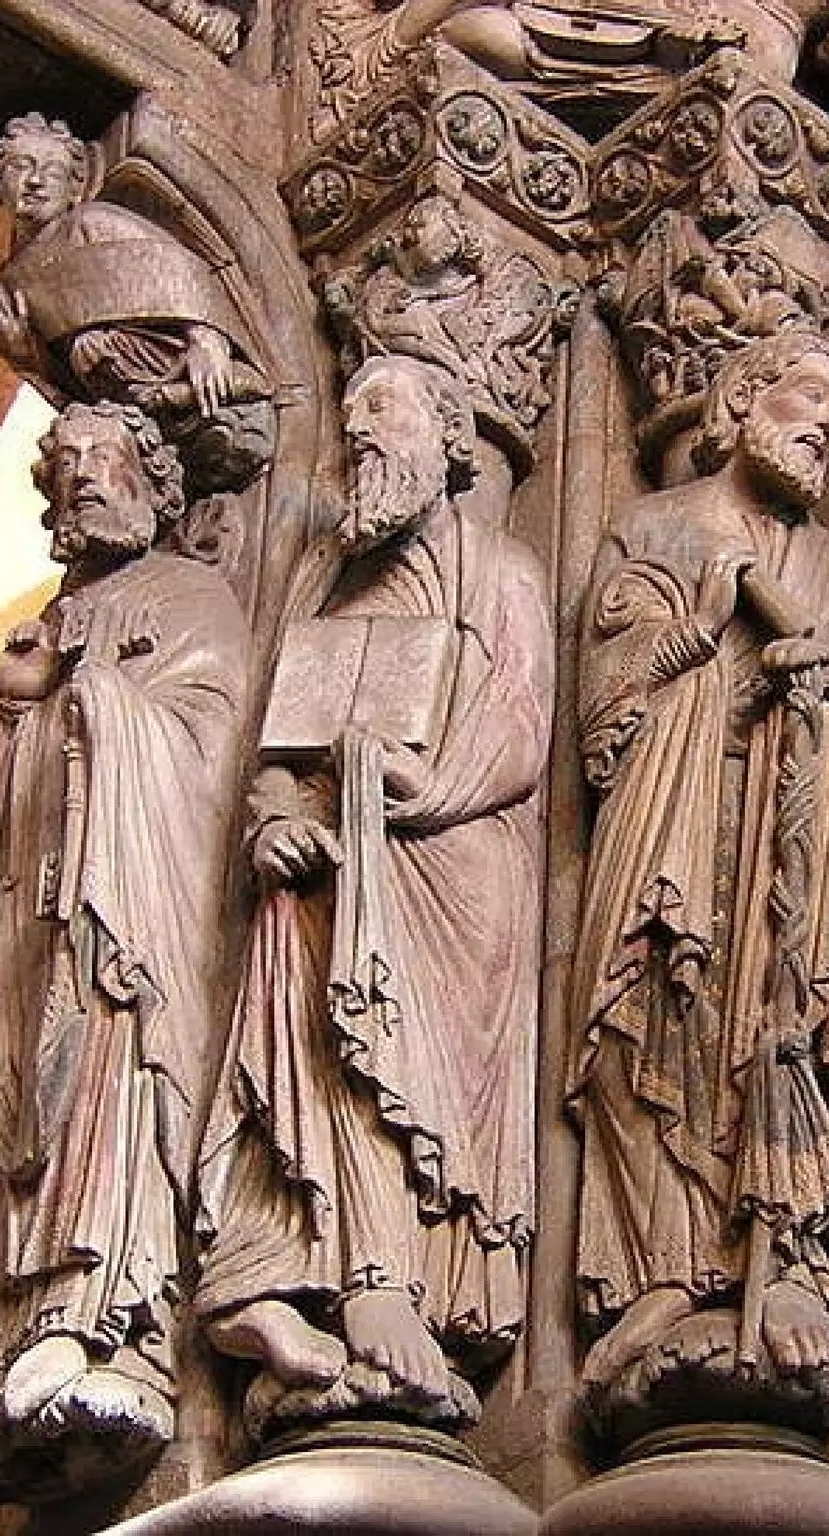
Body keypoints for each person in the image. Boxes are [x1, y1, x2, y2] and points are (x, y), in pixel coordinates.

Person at [194, 355, 553, 1434]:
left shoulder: (501, 573)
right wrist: (274, 822)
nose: (359, 431)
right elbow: (275, 752)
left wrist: (426, 788)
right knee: (326, 1041)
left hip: (453, 861)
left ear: (450, 434)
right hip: (332, 859)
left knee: (413, 1058)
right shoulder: (326, 583)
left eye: (382, 408)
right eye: (348, 414)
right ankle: (354, 1275)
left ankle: (418, 1282)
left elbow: (521, 722)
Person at [568, 331, 829, 1434]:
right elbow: (602, 693)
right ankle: (659, 1267)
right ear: (743, 396)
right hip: (670, 812)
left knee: (772, 1024)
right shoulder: (654, 526)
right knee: (650, 1013)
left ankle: (777, 1255)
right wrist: (700, 639)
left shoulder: (827, 564)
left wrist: (810, 684)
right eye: (810, 398)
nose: (826, 427)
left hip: (784, 825)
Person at [0, 402, 249, 1498]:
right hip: (42, 911)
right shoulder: (55, 612)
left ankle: (110, 1311)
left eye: (104, 460)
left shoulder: (189, 595)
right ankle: (23, 1318)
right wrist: (14, 713)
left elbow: (209, 743)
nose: (81, 479)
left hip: (130, 906)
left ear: (156, 481)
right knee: (32, 1090)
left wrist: (98, 701)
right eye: (64, 464)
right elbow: (7, 812)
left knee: (110, 1074)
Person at [0, 113, 273, 491]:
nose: (35, 181)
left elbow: (178, 271)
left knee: (92, 347)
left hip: (172, 360)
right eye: (21, 167)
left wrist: (207, 339)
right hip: (126, 402)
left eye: (52, 171)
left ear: (75, 188)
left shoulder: (93, 223)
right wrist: (24, 354)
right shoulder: (9, 281)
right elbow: (67, 386)